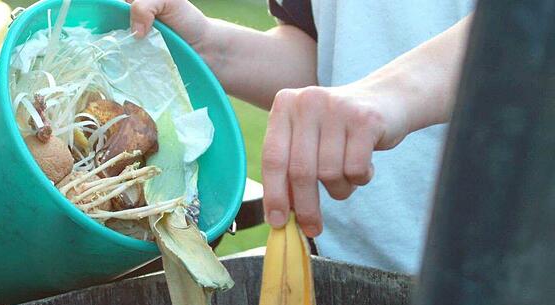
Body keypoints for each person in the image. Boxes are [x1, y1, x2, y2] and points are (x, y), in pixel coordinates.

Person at [127, 0, 475, 274]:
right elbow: (326, 54)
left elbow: (527, 29)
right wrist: (211, 47)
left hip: (496, 295)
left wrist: (391, 94)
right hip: (340, 268)